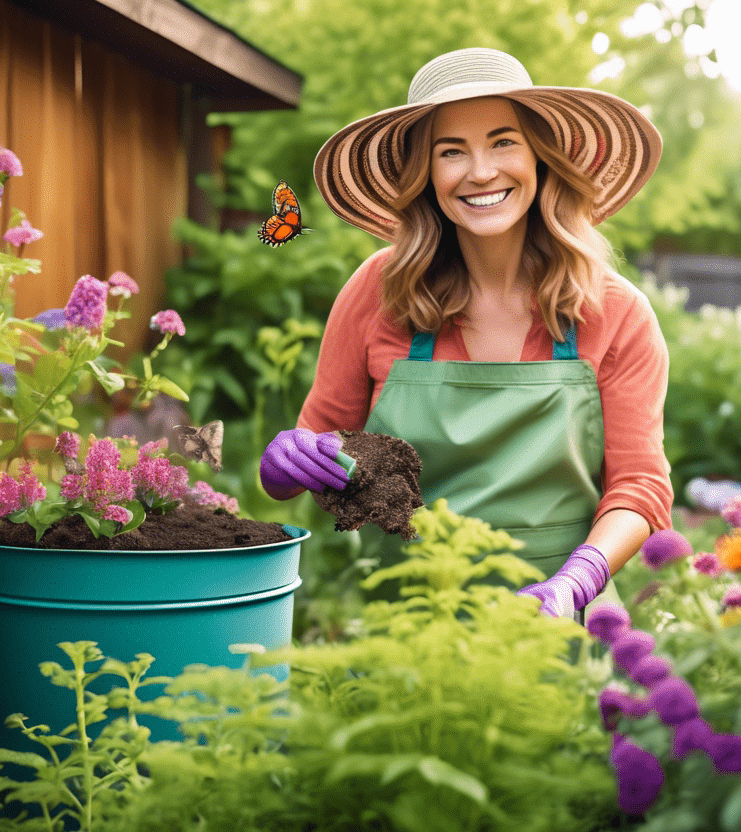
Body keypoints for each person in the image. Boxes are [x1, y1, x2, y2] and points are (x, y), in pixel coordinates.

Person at [260, 47, 672, 619]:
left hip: (557, 629)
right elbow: (320, 442)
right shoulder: (379, 292)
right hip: (405, 633)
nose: (480, 172)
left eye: (503, 142)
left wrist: (579, 580)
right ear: (424, 176)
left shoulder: (614, 312)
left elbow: (640, 488)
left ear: (541, 159)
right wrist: (285, 461)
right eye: (451, 151)